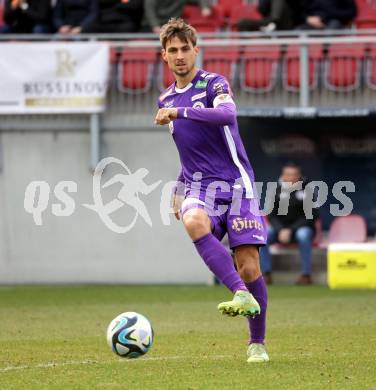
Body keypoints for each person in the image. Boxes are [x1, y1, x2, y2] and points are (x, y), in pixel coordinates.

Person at [154, 18, 269, 363]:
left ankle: (257, 343)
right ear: (164, 56)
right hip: (200, 186)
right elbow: (190, 150)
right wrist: (178, 186)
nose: (179, 56)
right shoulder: (165, 98)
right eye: (172, 50)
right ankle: (239, 295)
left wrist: (181, 111)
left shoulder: (212, 83)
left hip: (236, 185)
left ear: (195, 50)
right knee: (192, 221)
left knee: (249, 266)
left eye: (185, 49)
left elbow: (227, 116)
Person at [260, 163, 318, 285]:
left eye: (294, 175)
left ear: (299, 176)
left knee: (303, 235)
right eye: (288, 175)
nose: (291, 178)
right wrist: (281, 229)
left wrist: (290, 229)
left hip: (301, 228)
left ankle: (306, 275)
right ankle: (266, 273)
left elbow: (311, 215)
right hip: (279, 230)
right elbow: (271, 215)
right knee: (262, 236)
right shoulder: (275, 190)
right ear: (283, 176)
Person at [144, 0, 211, 34]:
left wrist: (204, 7)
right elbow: (149, 10)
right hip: (151, 27)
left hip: (173, 24)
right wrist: (155, 26)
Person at [237, 0, 305, 32]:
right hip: (268, 21)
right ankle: (270, 24)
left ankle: (272, 23)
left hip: (289, 23)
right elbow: (261, 9)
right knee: (243, 23)